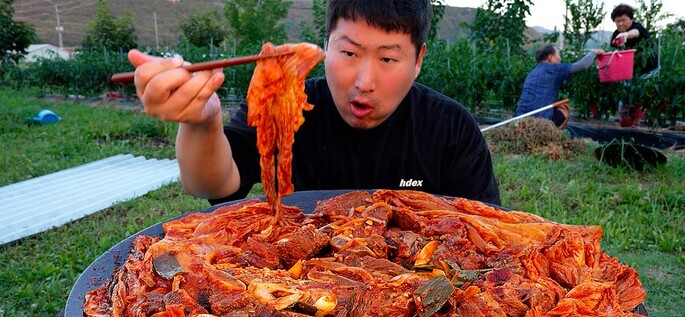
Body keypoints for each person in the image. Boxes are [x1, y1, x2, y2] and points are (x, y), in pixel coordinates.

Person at [127, 0, 501, 207]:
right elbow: (213, 183)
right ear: (326, 46)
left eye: (387, 59)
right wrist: (201, 121)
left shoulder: (450, 128)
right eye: (349, 52)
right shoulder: (285, 105)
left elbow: (489, 228)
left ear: (418, 60)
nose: (363, 82)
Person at [514, 44, 604, 128]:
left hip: (519, 119)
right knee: (565, 111)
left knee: (559, 106)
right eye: (558, 55)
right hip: (539, 121)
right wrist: (593, 52)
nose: (560, 59)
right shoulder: (553, 69)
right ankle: (550, 135)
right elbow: (583, 65)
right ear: (550, 57)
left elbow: (538, 97)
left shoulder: (532, 73)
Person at [609, 3, 659, 127]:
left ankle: (638, 125)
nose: (620, 24)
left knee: (640, 97)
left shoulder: (638, 27)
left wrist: (626, 35)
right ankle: (626, 124)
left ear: (631, 19)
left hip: (647, 70)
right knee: (626, 97)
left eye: (624, 20)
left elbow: (636, 33)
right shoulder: (616, 34)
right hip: (629, 72)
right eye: (617, 21)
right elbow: (615, 49)